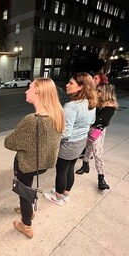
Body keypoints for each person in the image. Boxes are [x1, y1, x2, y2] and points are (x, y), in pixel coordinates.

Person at [4, 78, 65, 239]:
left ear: (38, 91)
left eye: (29, 87)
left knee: (23, 192)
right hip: (44, 163)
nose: (26, 90)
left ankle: (27, 225)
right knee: (28, 188)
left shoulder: (32, 120)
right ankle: (28, 211)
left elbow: (9, 143)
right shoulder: (57, 114)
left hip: (27, 164)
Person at [44, 73, 97, 206]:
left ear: (81, 87)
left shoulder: (71, 106)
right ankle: (65, 193)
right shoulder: (90, 102)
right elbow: (92, 121)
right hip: (80, 142)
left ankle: (58, 197)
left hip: (68, 144)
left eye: (71, 83)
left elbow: (65, 132)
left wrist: (51, 139)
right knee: (70, 168)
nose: (67, 85)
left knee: (61, 170)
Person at [75, 84, 118, 190]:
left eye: (99, 91)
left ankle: (101, 178)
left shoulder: (110, 106)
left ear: (106, 93)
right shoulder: (98, 103)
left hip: (98, 130)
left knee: (97, 153)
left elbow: (98, 119)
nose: (97, 93)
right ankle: (85, 165)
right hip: (90, 128)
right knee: (88, 148)